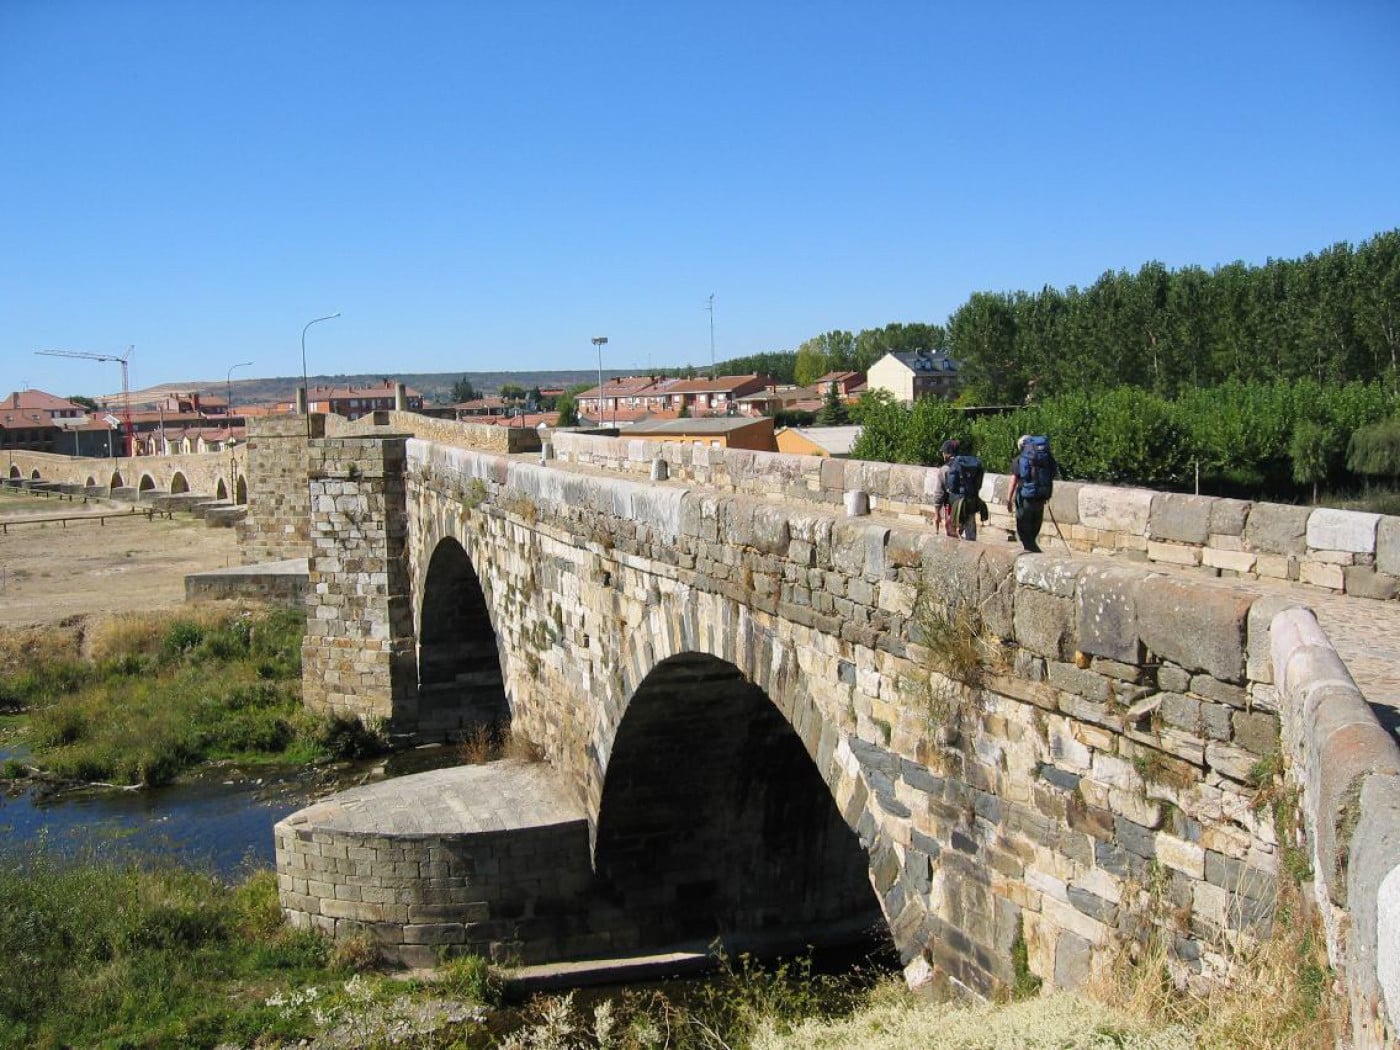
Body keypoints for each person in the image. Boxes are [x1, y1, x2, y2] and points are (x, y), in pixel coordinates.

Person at [1006, 434, 1055, 553]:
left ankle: (1032, 550)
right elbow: (1053, 472)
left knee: (1023, 525)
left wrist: (1009, 499)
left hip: (1025, 497)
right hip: (1041, 496)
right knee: (1035, 524)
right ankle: (1032, 547)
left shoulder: (1020, 460)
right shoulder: (1045, 458)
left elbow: (1013, 480)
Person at [935, 439, 986, 540]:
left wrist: (937, 513)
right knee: (970, 536)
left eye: (943, 452)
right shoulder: (970, 466)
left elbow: (939, 494)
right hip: (970, 503)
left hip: (954, 506)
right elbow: (978, 485)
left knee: (952, 537)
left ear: (946, 454)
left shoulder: (945, 469)